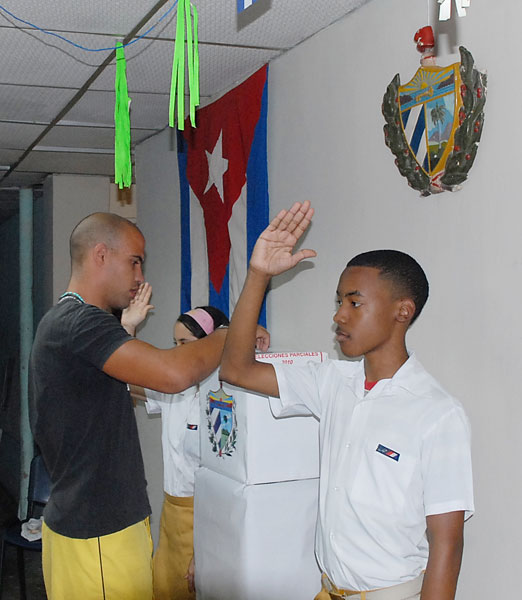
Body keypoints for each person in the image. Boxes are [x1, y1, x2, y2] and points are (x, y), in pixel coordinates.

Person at [220, 201, 474, 600]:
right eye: (339, 302)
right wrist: (257, 276)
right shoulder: (332, 382)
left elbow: (448, 542)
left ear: (402, 312)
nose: (339, 316)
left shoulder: (437, 413)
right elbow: (235, 369)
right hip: (329, 591)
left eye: (354, 303)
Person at [29, 212, 269, 600]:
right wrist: (231, 330)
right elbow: (173, 375)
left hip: (93, 525)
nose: (140, 276)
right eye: (135, 261)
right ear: (101, 255)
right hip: (99, 533)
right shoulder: (81, 323)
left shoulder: (65, 321)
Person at [121, 302, 232, 599]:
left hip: (205, 520)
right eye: (174, 343)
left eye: (184, 342)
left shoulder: (223, 397)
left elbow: (223, 481)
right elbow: (128, 378)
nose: (177, 350)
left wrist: (202, 550)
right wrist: (127, 329)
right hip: (172, 514)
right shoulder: (175, 385)